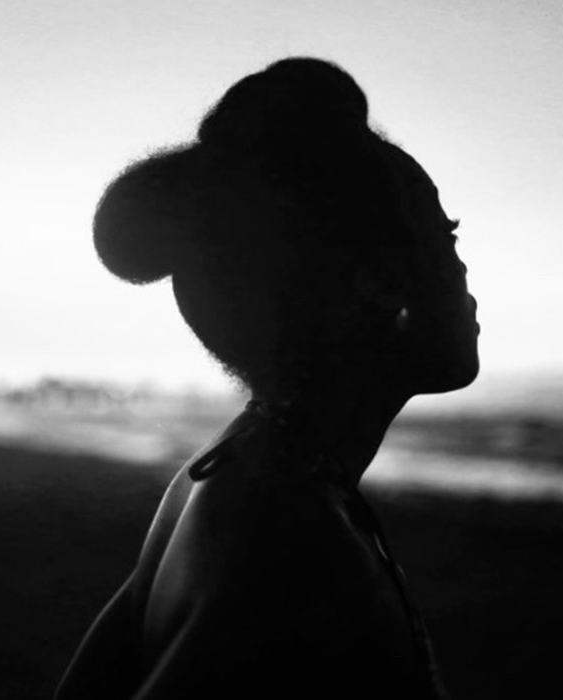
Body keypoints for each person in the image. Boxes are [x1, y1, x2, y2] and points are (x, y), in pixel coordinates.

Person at [54, 57, 478, 700]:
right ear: (379, 283)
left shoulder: (217, 473)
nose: (464, 272)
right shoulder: (303, 557)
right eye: (444, 240)